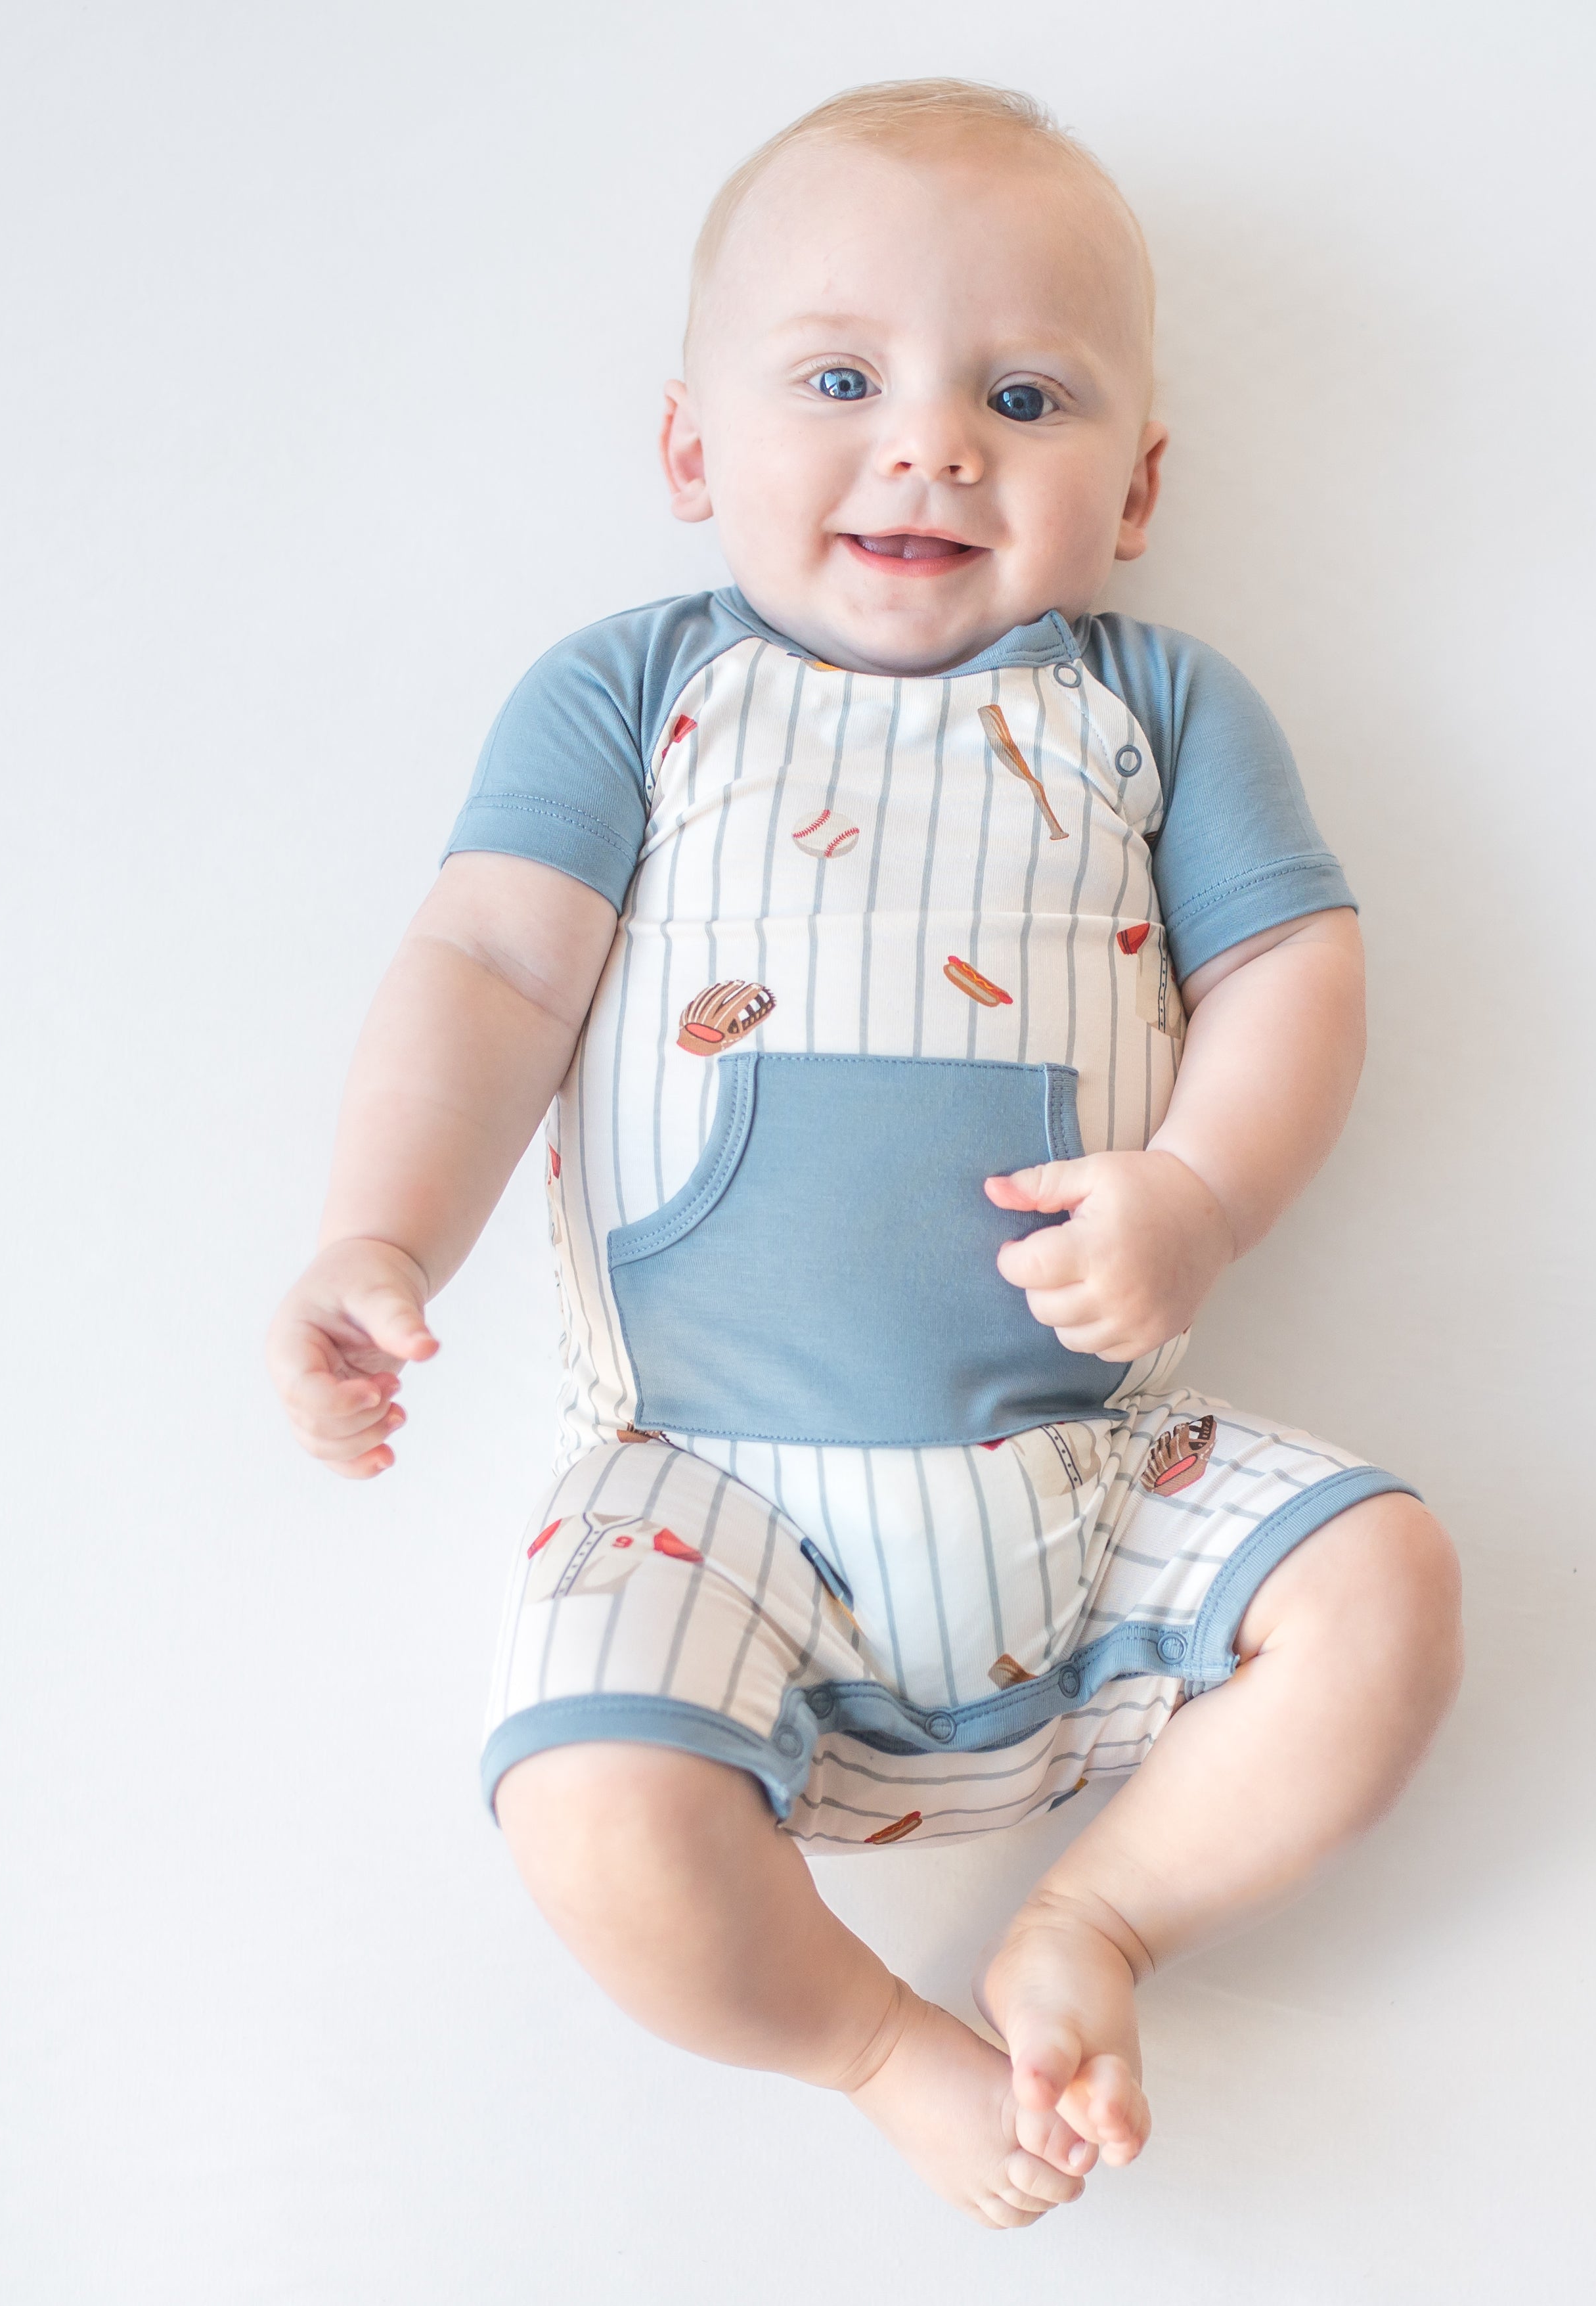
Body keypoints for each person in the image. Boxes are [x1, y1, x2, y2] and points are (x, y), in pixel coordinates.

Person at [267, 78, 1463, 2229]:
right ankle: (871, 2039)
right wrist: (382, 1235)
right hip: (710, 1500)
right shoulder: (635, 697)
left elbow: (1299, 978)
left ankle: (1096, 1918)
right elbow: (486, 974)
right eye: (839, 378)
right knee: (594, 1802)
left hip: (1096, 1484)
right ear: (688, 452)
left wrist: (1195, 1199)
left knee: (1388, 1589)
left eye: (1024, 392)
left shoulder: (1159, 711)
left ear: (1143, 481)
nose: (932, 442)